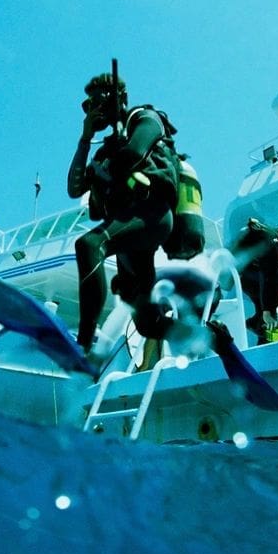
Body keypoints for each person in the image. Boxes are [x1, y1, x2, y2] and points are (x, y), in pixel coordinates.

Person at [67, 71, 180, 359]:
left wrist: (106, 171)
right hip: (127, 233)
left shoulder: (145, 118)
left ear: (121, 97)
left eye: (98, 101)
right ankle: (207, 336)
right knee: (146, 321)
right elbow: (74, 188)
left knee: (89, 244)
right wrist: (85, 138)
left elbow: (134, 153)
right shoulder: (105, 149)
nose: (94, 108)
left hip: (150, 215)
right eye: (89, 104)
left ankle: (84, 342)